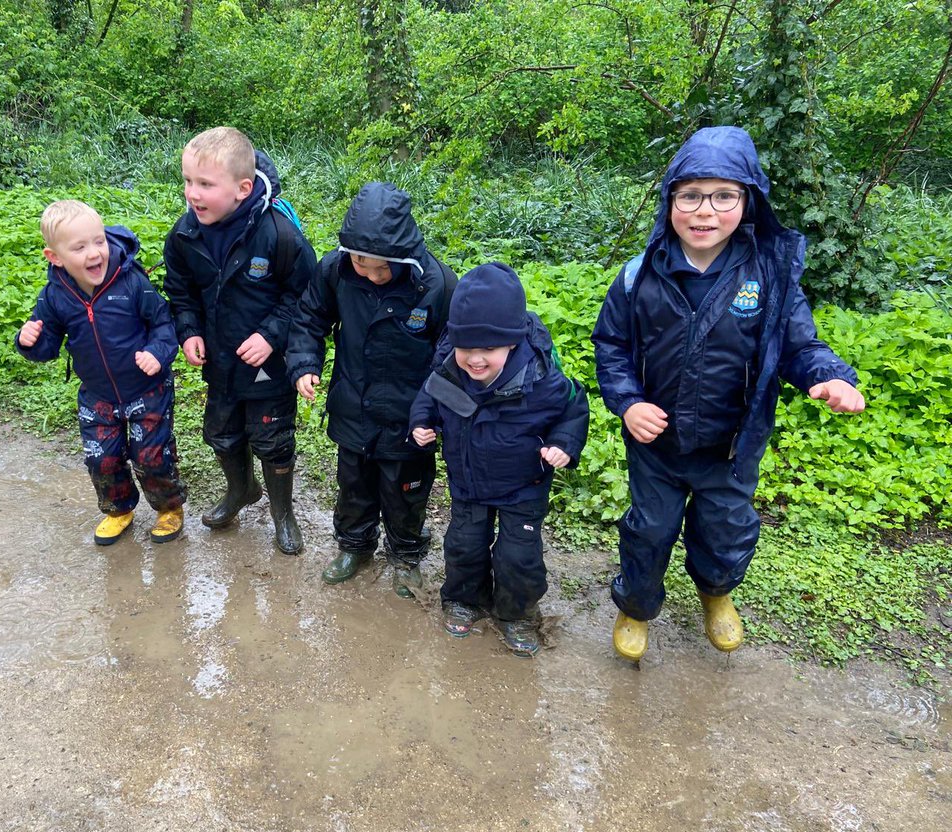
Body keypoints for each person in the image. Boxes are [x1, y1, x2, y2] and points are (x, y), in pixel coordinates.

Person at [592, 125, 866, 663]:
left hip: (733, 444)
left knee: (725, 531)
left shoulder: (769, 275)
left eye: (723, 196)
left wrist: (828, 376)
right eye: (690, 195)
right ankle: (637, 605)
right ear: (670, 200)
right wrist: (628, 402)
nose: (704, 212)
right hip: (659, 445)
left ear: (749, 201)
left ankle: (716, 593)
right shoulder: (638, 276)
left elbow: (798, 345)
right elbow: (612, 346)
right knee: (648, 530)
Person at [410, 263, 589, 657]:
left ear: (511, 343)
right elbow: (430, 396)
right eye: (466, 348)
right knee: (464, 544)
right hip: (469, 482)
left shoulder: (541, 379)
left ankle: (516, 613)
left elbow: (574, 409)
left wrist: (564, 443)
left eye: (487, 350)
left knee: (518, 556)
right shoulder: (449, 370)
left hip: (523, 485)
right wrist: (422, 422)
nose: (475, 359)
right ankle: (463, 599)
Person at [287, 182, 455, 597]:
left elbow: (452, 355)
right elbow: (309, 317)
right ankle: (354, 546)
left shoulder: (436, 285)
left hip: (409, 417)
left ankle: (406, 554)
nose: (371, 275)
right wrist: (305, 363)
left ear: (404, 256)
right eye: (362, 265)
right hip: (353, 405)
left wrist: (436, 412)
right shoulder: (336, 271)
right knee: (354, 485)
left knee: (406, 492)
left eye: (382, 268)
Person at [163, 127, 317, 554]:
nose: (193, 194)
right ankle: (241, 490)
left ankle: (282, 514)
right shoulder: (184, 234)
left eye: (205, 184)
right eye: (188, 182)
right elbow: (180, 291)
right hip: (221, 363)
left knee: (272, 438)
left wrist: (271, 335)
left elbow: (305, 297)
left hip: (269, 366)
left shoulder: (279, 235)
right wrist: (189, 330)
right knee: (222, 432)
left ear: (242, 188)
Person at [17, 200, 186, 545]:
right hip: (97, 396)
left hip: (147, 389)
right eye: (79, 247)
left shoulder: (131, 282)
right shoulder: (54, 296)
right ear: (56, 257)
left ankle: (169, 508)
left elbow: (163, 324)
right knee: (102, 459)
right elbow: (47, 346)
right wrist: (30, 341)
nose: (95, 253)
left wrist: (158, 353)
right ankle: (118, 509)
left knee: (151, 455)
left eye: (99, 241)